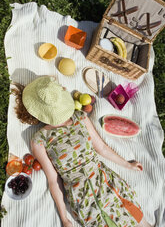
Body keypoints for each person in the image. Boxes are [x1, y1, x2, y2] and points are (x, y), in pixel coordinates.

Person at [12, 76, 152, 227]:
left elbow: (102, 148)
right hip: (80, 196)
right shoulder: (40, 139)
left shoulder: (80, 118)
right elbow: (53, 180)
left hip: (104, 179)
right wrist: (64, 219)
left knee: (136, 216)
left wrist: (127, 165)